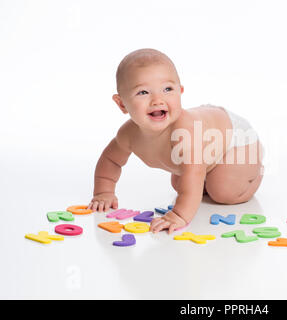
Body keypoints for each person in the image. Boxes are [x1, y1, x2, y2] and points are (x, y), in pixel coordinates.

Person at [88, 48, 264, 233]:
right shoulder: (128, 134)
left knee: (221, 191)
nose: (158, 100)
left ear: (180, 92)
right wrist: (104, 193)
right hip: (208, 139)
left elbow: (194, 174)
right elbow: (111, 160)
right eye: (143, 92)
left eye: (167, 89)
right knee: (181, 184)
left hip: (235, 140)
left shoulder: (184, 132)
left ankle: (255, 171)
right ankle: (213, 174)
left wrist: (179, 215)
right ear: (122, 104)